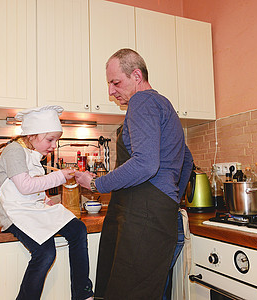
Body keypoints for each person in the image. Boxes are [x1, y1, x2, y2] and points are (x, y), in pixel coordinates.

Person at [75, 48, 193, 300]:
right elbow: (187, 158)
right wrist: (171, 197)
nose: (110, 91)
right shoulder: (165, 105)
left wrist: (96, 183)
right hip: (159, 217)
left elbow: (145, 164)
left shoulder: (142, 102)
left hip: (144, 219)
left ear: (136, 76)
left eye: (115, 82)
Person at [0, 105, 94, 300]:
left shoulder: (34, 156)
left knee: (78, 229)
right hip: (14, 215)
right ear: (32, 135)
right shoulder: (14, 151)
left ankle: (82, 293)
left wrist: (47, 200)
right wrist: (61, 176)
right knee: (45, 253)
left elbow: (34, 190)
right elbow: (24, 186)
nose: (54, 145)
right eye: (50, 139)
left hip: (32, 210)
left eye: (56, 140)